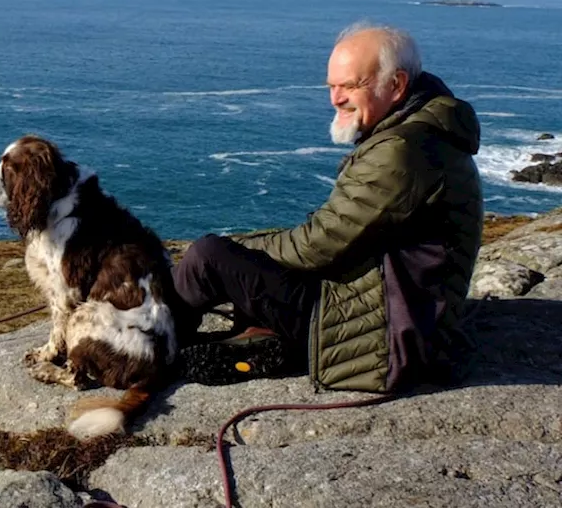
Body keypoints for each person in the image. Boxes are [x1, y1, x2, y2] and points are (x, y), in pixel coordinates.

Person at [171, 22, 483, 393]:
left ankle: (148, 348)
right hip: (399, 310)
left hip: (389, 334)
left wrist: (238, 250)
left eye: (350, 85)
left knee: (209, 256)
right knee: (242, 266)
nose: (336, 98)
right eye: (332, 86)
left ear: (397, 85)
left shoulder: (402, 151)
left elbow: (318, 245)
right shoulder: (420, 133)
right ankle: (261, 339)